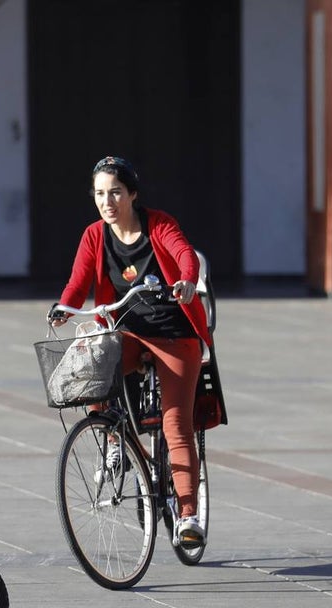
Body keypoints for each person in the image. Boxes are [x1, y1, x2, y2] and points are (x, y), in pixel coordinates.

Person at [50, 155, 213, 545]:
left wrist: (187, 282)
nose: (108, 202)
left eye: (116, 193)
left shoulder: (159, 224)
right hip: (127, 333)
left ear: (133, 194)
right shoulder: (94, 235)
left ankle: (188, 515)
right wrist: (63, 307)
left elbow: (184, 255)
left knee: (176, 424)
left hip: (174, 334)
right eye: (100, 194)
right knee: (90, 375)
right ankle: (117, 443)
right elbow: (78, 281)